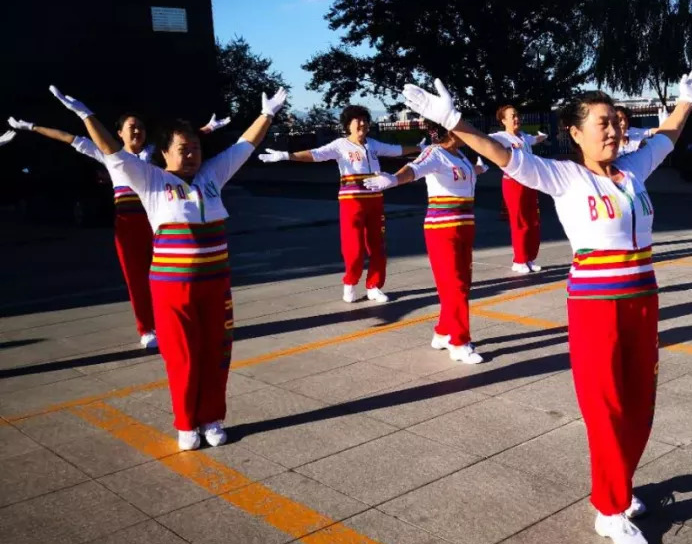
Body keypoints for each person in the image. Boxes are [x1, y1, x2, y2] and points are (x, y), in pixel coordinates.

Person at [397, 70, 692, 544]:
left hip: (643, 300)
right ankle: (609, 508)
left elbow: (665, 137)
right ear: (576, 133)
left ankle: (620, 485)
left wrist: (686, 102)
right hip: (595, 305)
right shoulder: (564, 175)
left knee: (641, 404)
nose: (612, 131)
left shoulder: (633, 169)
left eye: (615, 123)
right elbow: (505, 156)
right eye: (601, 124)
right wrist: (454, 121)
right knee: (606, 406)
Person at [48, 83, 287, 451]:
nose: (191, 154)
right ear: (164, 153)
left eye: (195, 147)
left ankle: (212, 418)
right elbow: (112, 151)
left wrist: (267, 114)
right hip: (172, 287)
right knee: (182, 357)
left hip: (216, 284)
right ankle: (186, 423)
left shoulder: (212, 176)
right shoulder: (151, 180)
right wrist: (86, 114)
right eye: (182, 149)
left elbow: (244, 146)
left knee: (216, 354)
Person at [3, 110, 230, 348]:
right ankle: (147, 329)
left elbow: (183, 143)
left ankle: (170, 322)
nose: (136, 130)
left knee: (167, 278)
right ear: (119, 133)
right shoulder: (108, 154)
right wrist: (32, 127)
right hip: (129, 224)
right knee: (136, 279)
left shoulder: (153, 153)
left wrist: (210, 128)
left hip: (161, 222)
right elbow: (67, 137)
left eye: (140, 126)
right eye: (131, 126)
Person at [258, 105, 420, 303]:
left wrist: (420, 147)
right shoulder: (340, 145)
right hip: (352, 201)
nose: (362, 124)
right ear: (348, 125)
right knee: (354, 247)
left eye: (365, 120)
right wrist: (286, 155)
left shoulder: (373, 144)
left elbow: (397, 151)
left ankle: (374, 286)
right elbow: (315, 154)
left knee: (377, 246)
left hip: (375, 199)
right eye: (357, 120)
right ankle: (350, 282)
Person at [364, 122, 486, 365]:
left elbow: (459, 176)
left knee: (462, 284)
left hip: (465, 225)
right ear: (450, 131)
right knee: (455, 285)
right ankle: (459, 342)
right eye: (460, 127)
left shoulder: (459, 154)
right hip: (443, 228)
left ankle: (442, 332)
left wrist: (477, 170)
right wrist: (393, 180)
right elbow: (413, 169)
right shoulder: (434, 152)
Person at [490, 104, 547, 273]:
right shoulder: (501, 137)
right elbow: (481, 139)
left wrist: (542, 136)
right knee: (519, 221)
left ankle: (529, 258)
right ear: (503, 120)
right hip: (513, 183)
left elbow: (535, 140)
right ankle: (519, 260)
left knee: (533, 221)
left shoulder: (523, 136)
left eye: (517, 115)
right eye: (512, 116)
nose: (517, 119)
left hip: (530, 181)